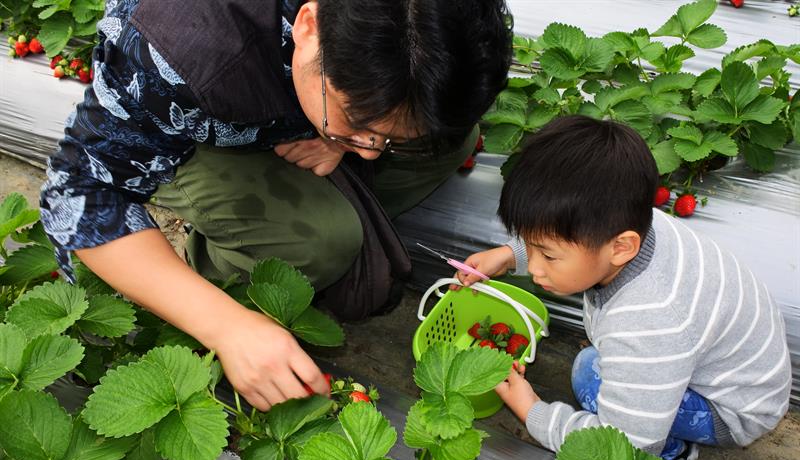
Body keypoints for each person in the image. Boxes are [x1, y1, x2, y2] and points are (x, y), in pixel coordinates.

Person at [40, 0, 512, 411]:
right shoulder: (179, 51)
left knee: (453, 140)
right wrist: (224, 326)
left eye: (385, 138)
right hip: (196, 123)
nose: (371, 150)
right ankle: (224, 279)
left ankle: (328, 203)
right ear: (309, 27)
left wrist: (339, 137)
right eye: (356, 119)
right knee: (324, 239)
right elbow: (79, 189)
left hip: (288, 97)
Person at [456, 116, 791, 460]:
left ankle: (671, 458)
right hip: (725, 365)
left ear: (621, 247)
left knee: (589, 375)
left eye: (548, 256)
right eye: (530, 246)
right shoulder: (634, 222)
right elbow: (559, 235)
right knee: (602, 359)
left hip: (733, 410)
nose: (536, 270)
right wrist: (509, 255)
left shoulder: (650, 319)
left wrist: (532, 410)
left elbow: (628, 440)